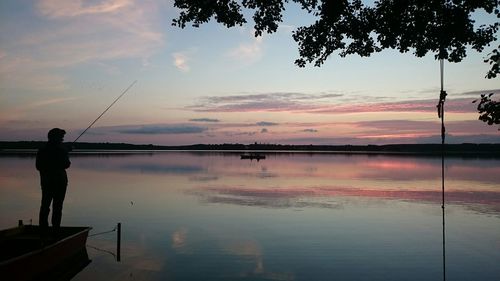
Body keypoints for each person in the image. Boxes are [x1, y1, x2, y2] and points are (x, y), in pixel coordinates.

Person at [36, 128, 71, 230]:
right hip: (60, 182)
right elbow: (66, 164)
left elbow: (38, 166)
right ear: (56, 137)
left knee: (45, 206)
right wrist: (66, 153)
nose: (62, 140)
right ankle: (55, 229)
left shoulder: (42, 150)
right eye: (61, 138)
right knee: (57, 207)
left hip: (46, 182)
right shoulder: (61, 150)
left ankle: (43, 229)